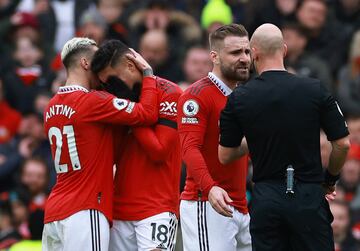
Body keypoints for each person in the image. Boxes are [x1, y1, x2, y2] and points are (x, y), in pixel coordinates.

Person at [218, 23, 350, 251]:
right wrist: (329, 180)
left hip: (266, 198)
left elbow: (225, 154)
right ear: (285, 50)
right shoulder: (315, 89)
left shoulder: (240, 98)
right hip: (309, 195)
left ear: (253, 53)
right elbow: (342, 144)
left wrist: (260, 136)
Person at [41, 37, 158, 251]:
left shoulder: (50, 106)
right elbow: (147, 114)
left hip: (54, 212)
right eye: (97, 60)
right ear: (85, 63)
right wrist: (148, 73)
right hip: (84, 210)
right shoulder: (93, 101)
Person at [91, 39, 183, 251]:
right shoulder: (112, 101)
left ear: (131, 65)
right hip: (117, 211)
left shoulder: (170, 92)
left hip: (157, 208)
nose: (110, 88)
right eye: (105, 84)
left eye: (113, 81)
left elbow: (159, 150)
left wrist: (131, 110)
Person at [177, 24, 252, 251]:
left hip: (240, 206)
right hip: (206, 204)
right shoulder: (196, 95)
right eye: (235, 53)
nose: (244, 59)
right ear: (215, 56)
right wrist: (210, 187)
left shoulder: (243, 96)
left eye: (247, 52)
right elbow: (189, 149)